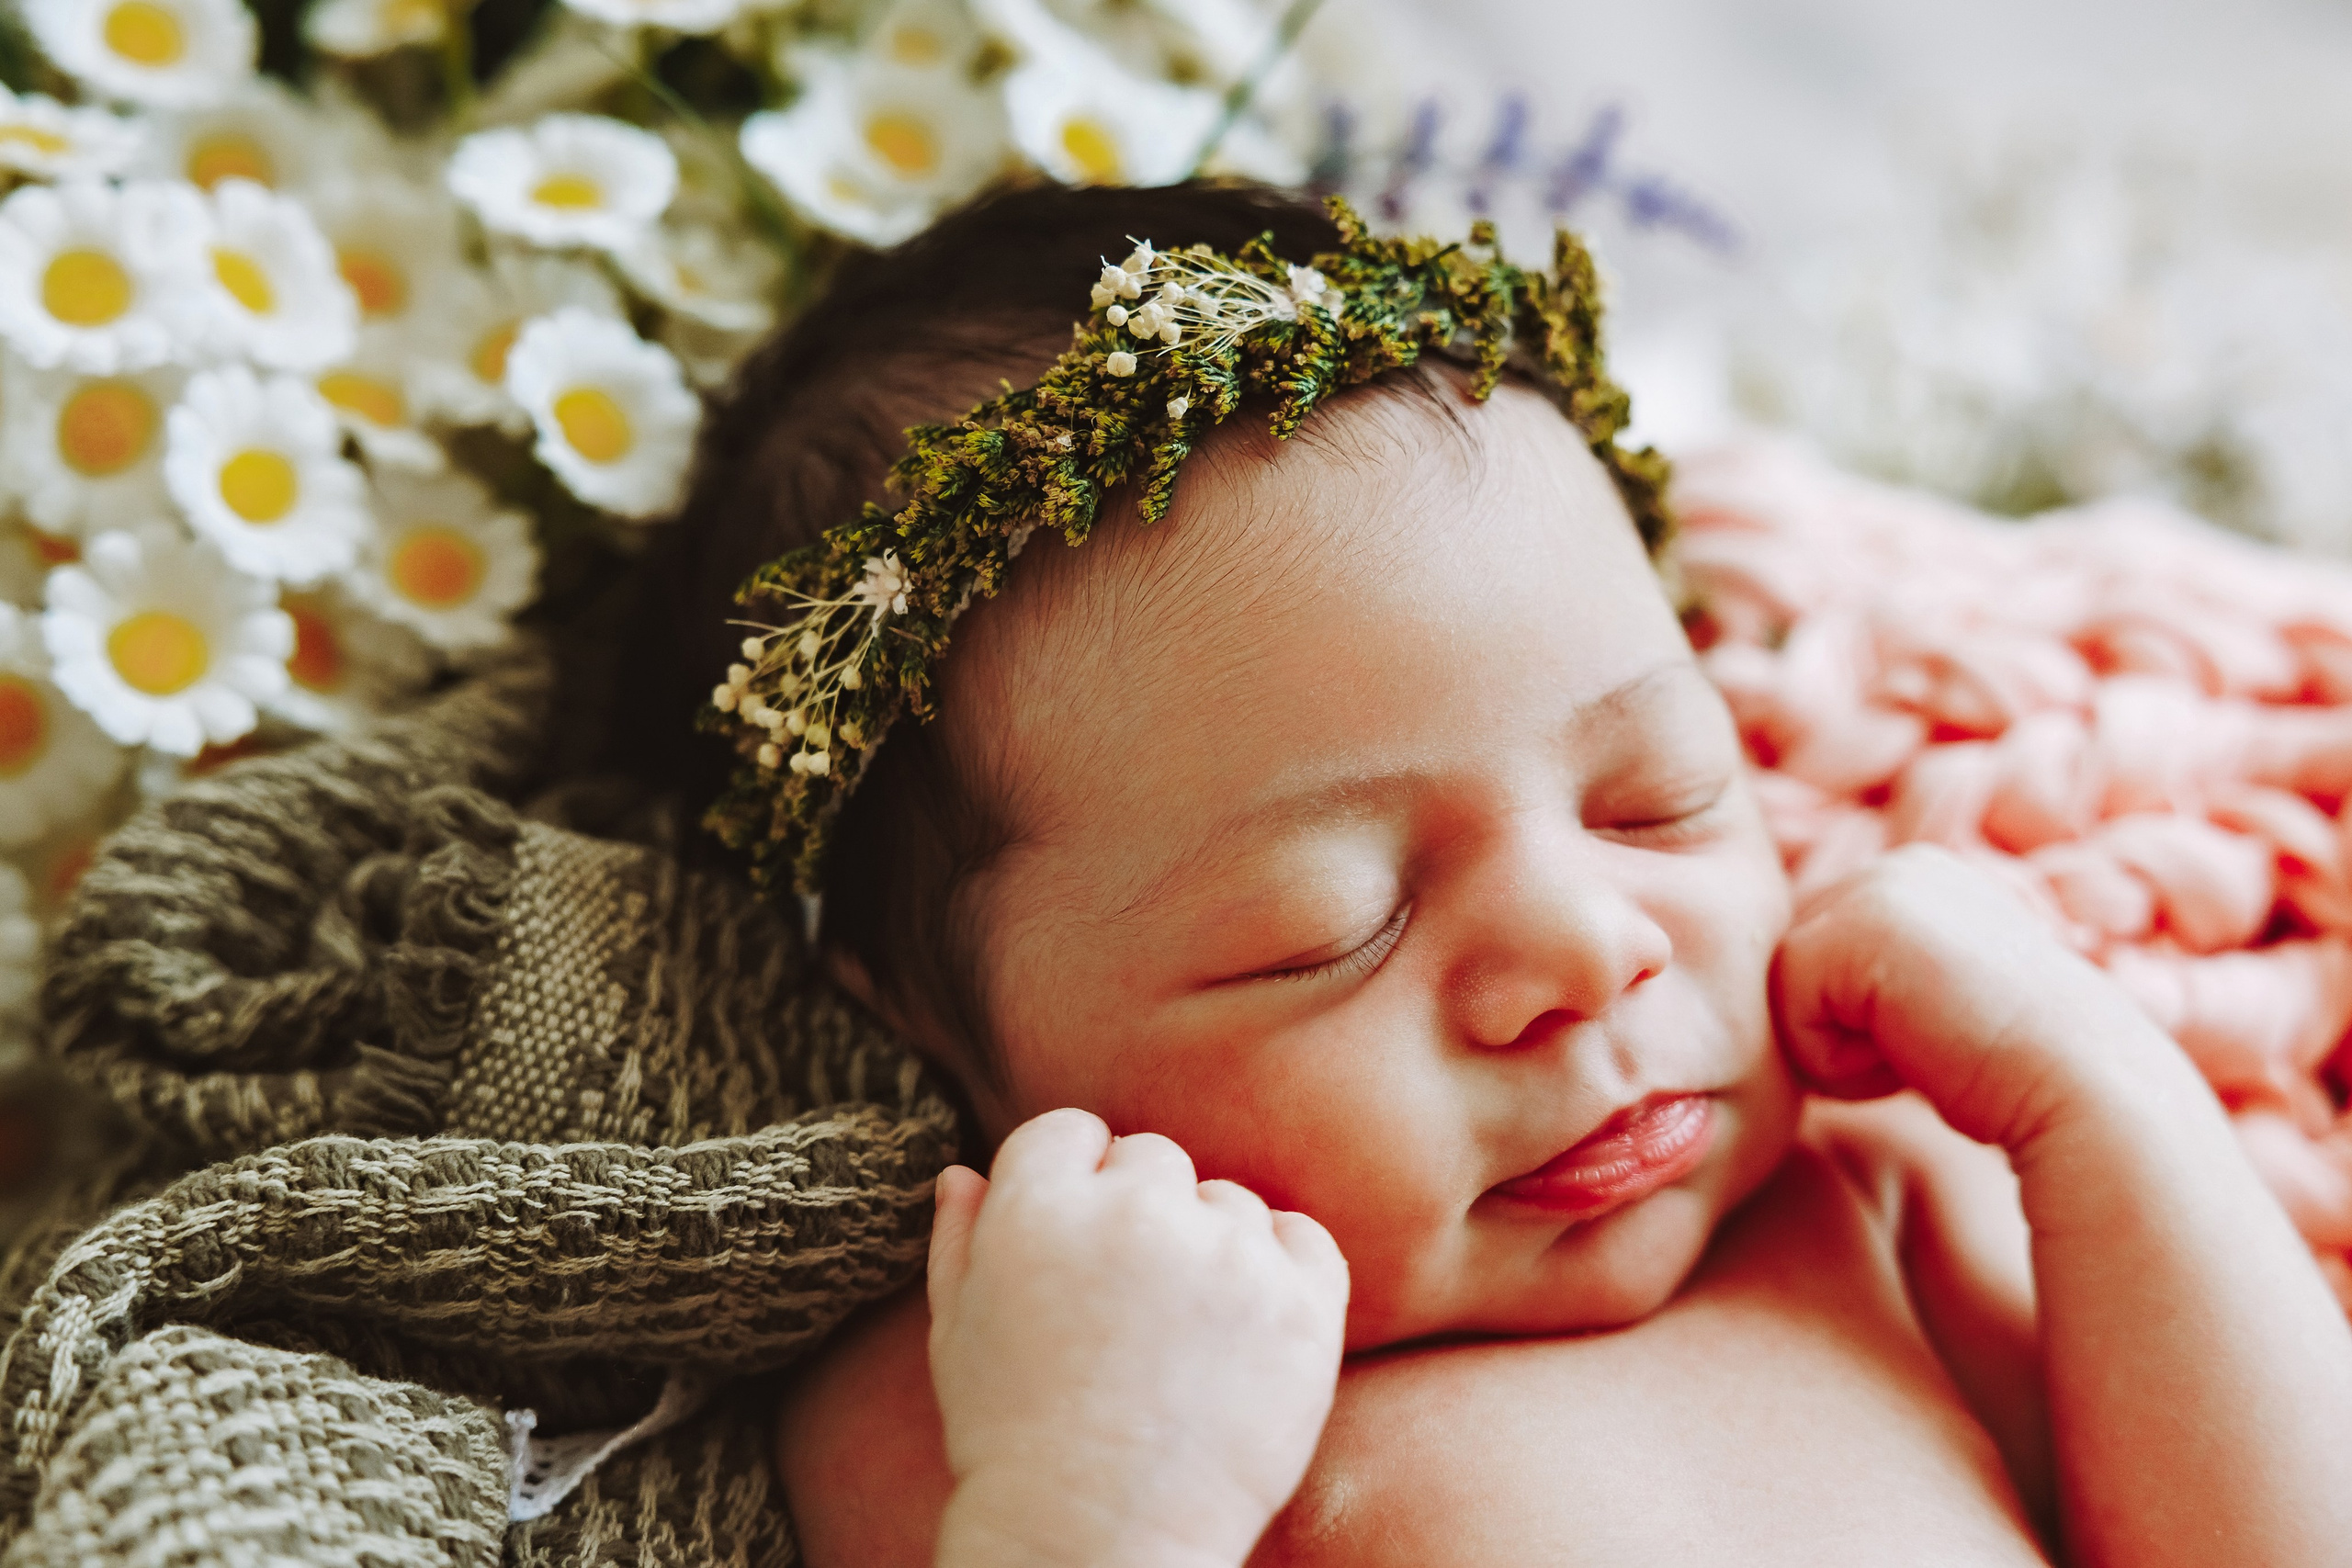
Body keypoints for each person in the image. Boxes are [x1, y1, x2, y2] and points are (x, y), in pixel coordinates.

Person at [646, 180, 2352, 1566]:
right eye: (1336, 926)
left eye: (1654, 799)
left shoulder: (1878, 1184)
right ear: (942, 1025)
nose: (1589, 954)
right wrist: (1087, 1512)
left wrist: (2107, 1097)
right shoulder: (1019, 1375)